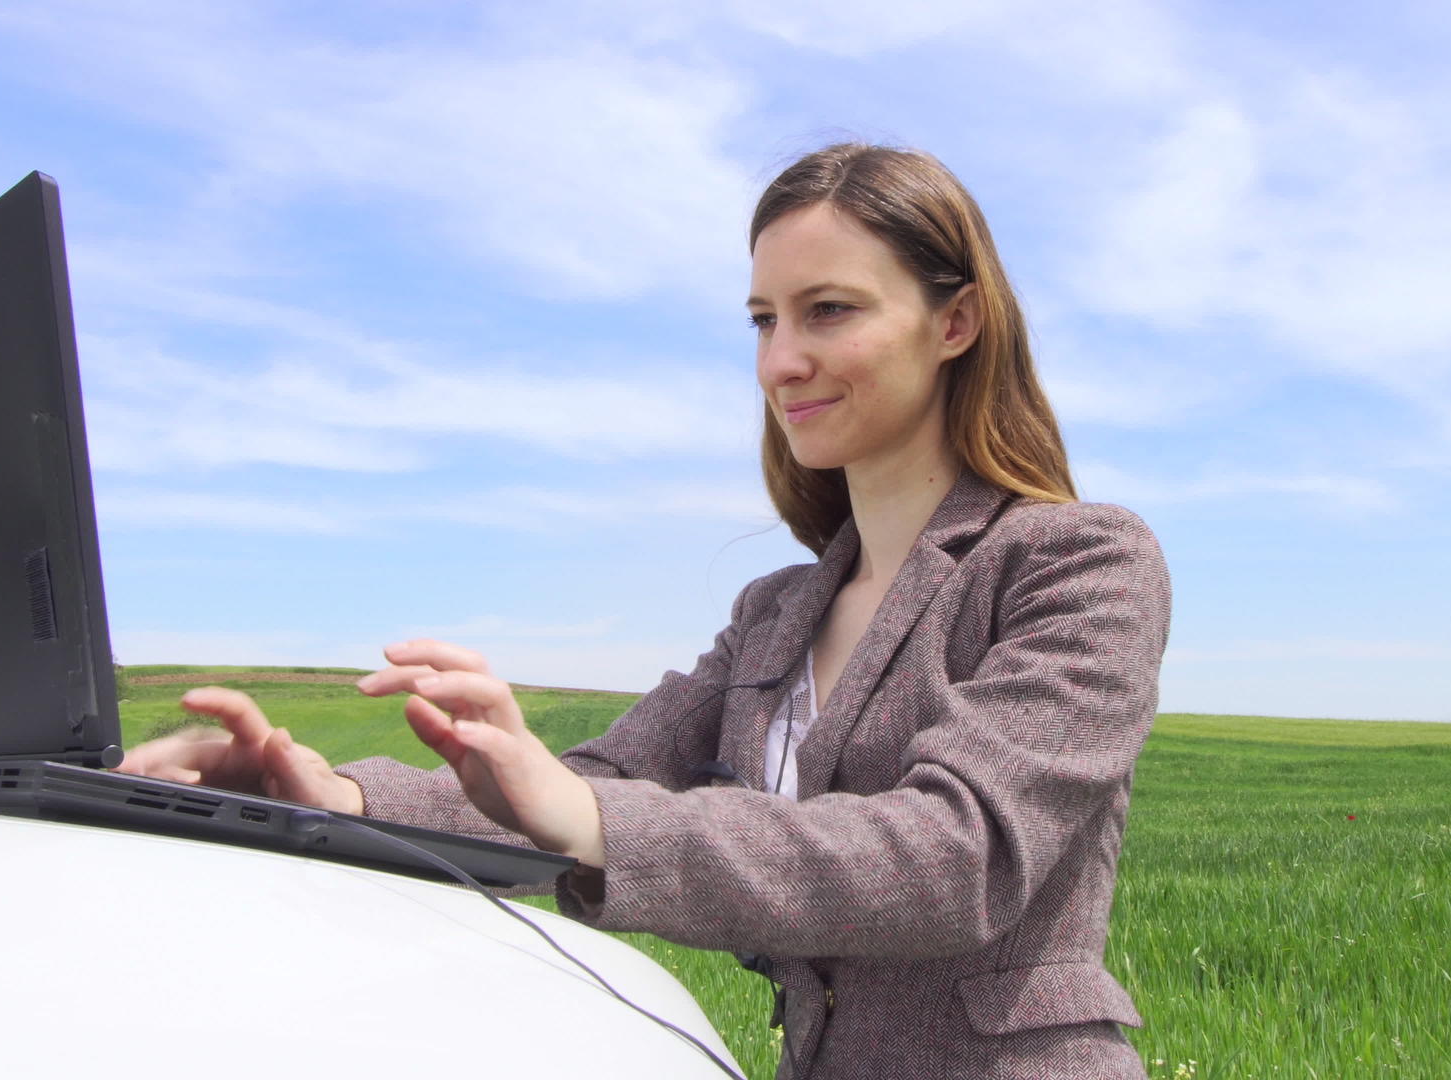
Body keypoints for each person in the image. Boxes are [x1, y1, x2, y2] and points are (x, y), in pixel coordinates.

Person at [120, 142, 1171, 1080]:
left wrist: (584, 820)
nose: (780, 360)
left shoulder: (1078, 562)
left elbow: (957, 859)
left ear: (957, 321)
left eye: (828, 310)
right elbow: (597, 785)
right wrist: (332, 796)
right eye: (765, 319)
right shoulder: (776, 614)